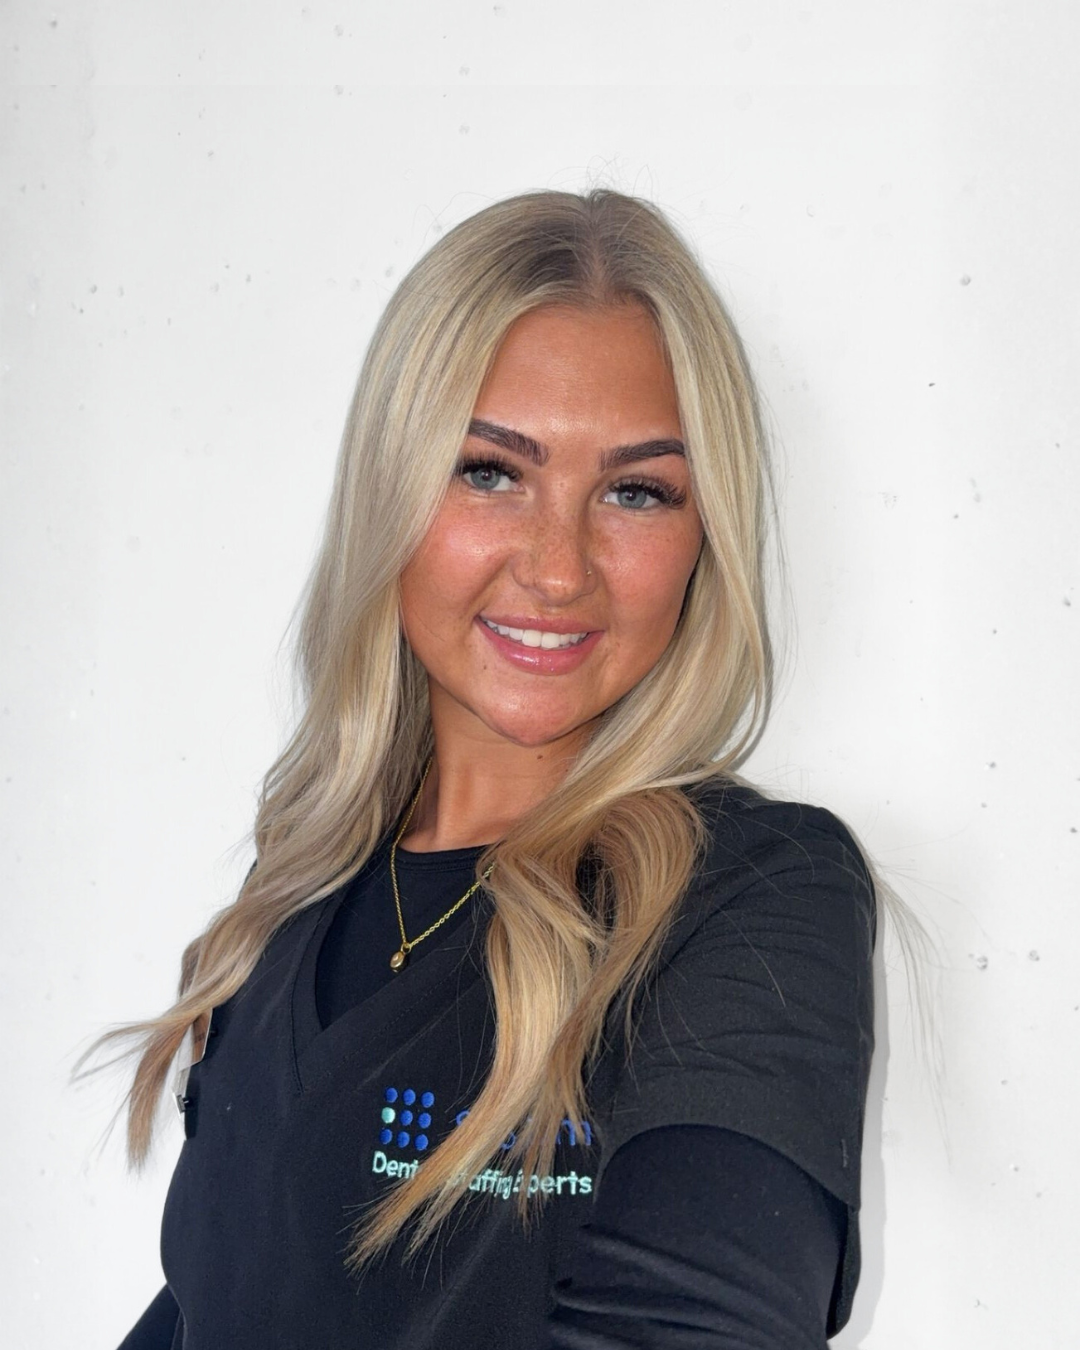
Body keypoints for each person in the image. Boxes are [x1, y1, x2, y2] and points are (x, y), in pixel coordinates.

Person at [99, 188, 876, 1348]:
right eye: (491, 472)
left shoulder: (750, 899)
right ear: (391, 493)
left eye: (635, 491)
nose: (559, 568)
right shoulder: (290, 904)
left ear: (704, 537)